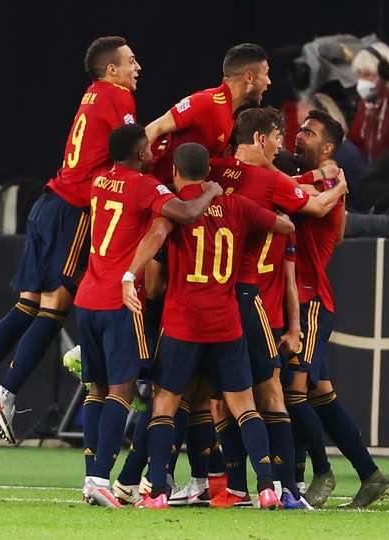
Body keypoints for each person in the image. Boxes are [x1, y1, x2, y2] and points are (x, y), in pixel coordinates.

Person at [0, 36, 141, 443]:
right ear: (112, 70)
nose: (137, 68)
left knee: (28, 304)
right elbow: (135, 149)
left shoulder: (92, 94)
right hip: (73, 210)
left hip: (47, 202)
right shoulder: (117, 97)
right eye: (130, 61)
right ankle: (7, 392)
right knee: (55, 308)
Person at [119, 142, 294, 509]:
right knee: (245, 406)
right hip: (226, 323)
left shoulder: (178, 210)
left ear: (177, 173)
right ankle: (265, 488)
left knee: (166, 404)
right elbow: (284, 224)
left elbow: (155, 236)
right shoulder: (237, 205)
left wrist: (129, 273)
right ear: (208, 173)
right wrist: (248, 243)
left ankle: (159, 492)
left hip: (184, 323)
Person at [205, 107, 347, 510]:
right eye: (279, 137)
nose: (283, 143)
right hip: (251, 300)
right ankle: (284, 487)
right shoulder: (268, 183)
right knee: (271, 394)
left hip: (211, 300)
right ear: (260, 140)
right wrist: (338, 186)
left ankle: (226, 486)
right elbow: (316, 209)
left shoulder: (215, 171)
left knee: (215, 398)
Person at [79, 127, 224, 508]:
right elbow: (188, 212)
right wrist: (210, 189)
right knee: (122, 391)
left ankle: (91, 475)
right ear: (142, 151)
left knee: (95, 390)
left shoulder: (98, 181)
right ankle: (99, 478)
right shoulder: (143, 187)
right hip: (121, 301)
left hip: (88, 296)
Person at [287, 108, 389, 509]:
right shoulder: (323, 179)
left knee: (294, 389)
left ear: (327, 147)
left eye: (309, 133)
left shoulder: (329, 176)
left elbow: (291, 196)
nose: (299, 136)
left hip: (311, 301)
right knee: (321, 394)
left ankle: (319, 473)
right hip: (302, 298)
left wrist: (323, 181)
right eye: (299, 130)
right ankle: (370, 475)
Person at [145, 43, 270, 183]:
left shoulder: (229, 114)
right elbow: (154, 128)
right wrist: (131, 177)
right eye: (266, 75)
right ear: (249, 77)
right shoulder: (207, 101)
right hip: (155, 192)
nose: (269, 82)